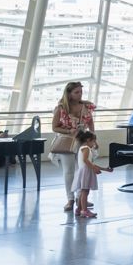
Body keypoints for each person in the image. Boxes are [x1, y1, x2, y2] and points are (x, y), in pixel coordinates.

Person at [52, 81, 96, 212]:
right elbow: (54, 127)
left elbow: (91, 123)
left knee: (83, 170)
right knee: (69, 171)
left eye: (81, 92)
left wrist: (94, 138)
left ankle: (80, 198)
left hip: (82, 141)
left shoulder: (86, 107)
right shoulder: (61, 108)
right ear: (69, 94)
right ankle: (70, 199)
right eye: (76, 92)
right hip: (67, 142)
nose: (80, 95)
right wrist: (69, 131)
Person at [72, 130, 110, 219]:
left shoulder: (83, 148)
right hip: (86, 172)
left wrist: (104, 169)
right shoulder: (86, 148)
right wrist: (94, 168)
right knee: (85, 191)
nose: (94, 144)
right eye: (93, 141)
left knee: (83, 191)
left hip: (85, 171)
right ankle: (84, 211)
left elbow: (89, 162)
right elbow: (86, 160)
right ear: (88, 140)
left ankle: (79, 209)